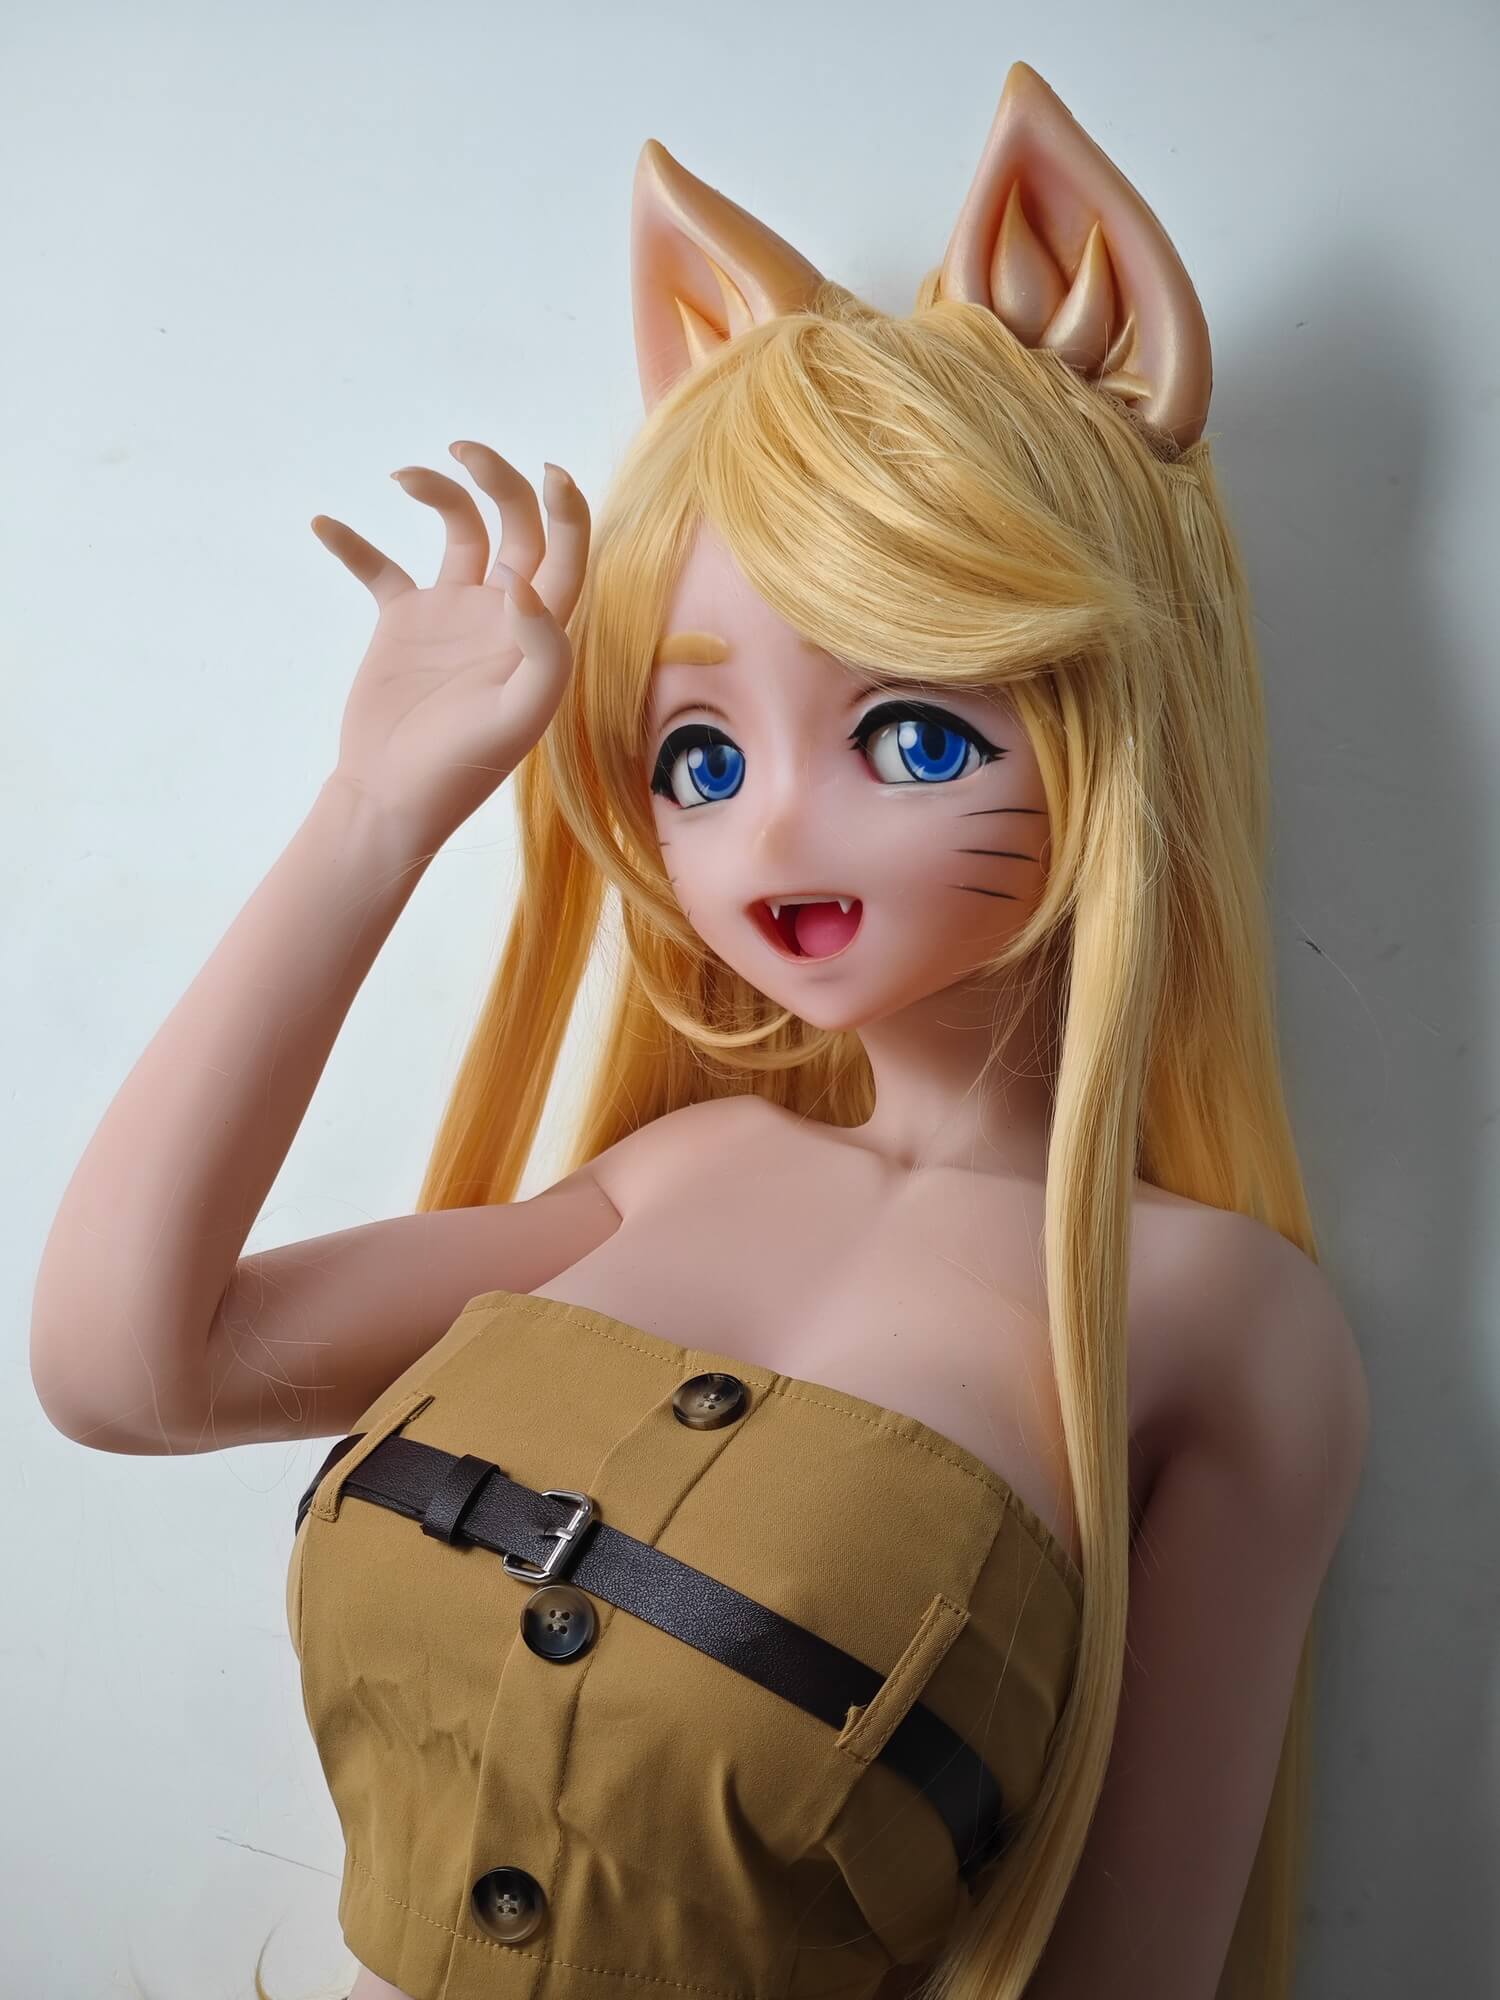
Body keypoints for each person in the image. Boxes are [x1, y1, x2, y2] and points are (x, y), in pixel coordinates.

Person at [30, 59, 1368, 2000]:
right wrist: (378, 812)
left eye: (912, 733)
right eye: (702, 756)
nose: (772, 838)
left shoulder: (1218, 1324)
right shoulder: (677, 1173)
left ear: (1117, 726)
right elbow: (128, 1369)